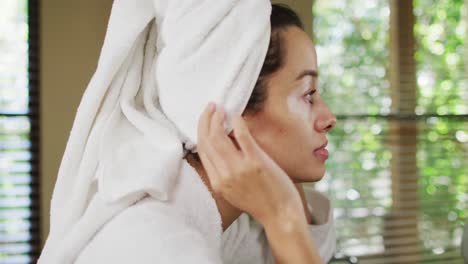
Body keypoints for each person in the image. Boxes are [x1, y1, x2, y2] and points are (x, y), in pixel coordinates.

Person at [40, 3, 336, 264]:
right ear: (232, 113)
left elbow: (301, 253)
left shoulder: (216, 225)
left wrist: (282, 206)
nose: (329, 118)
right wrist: (282, 217)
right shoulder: (154, 247)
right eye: (308, 95)